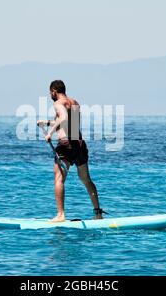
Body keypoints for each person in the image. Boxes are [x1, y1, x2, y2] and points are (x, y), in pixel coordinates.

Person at [37, 80, 105, 222]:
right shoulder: (74, 102)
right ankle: (98, 213)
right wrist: (47, 122)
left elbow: (63, 117)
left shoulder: (57, 104)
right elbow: (68, 123)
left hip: (65, 145)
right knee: (86, 179)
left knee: (59, 179)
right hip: (79, 144)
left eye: (50, 93)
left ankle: (60, 215)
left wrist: (49, 132)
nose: (50, 95)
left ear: (54, 91)